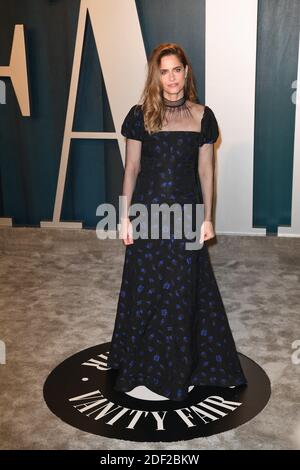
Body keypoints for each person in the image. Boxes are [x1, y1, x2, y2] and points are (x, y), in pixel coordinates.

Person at [107, 43, 247, 401]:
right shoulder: (141, 116)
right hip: (148, 216)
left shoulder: (203, 116)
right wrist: (124, 216)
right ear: (157, 76)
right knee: (146, 290)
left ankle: (181, 366)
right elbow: (132, 169)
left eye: (176, 70)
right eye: (163, 71)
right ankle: (141, 362)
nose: (171, 78)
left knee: (184, 291)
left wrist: (208, 217)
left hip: (186, 217)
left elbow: (206, 170)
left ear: (186, 72)